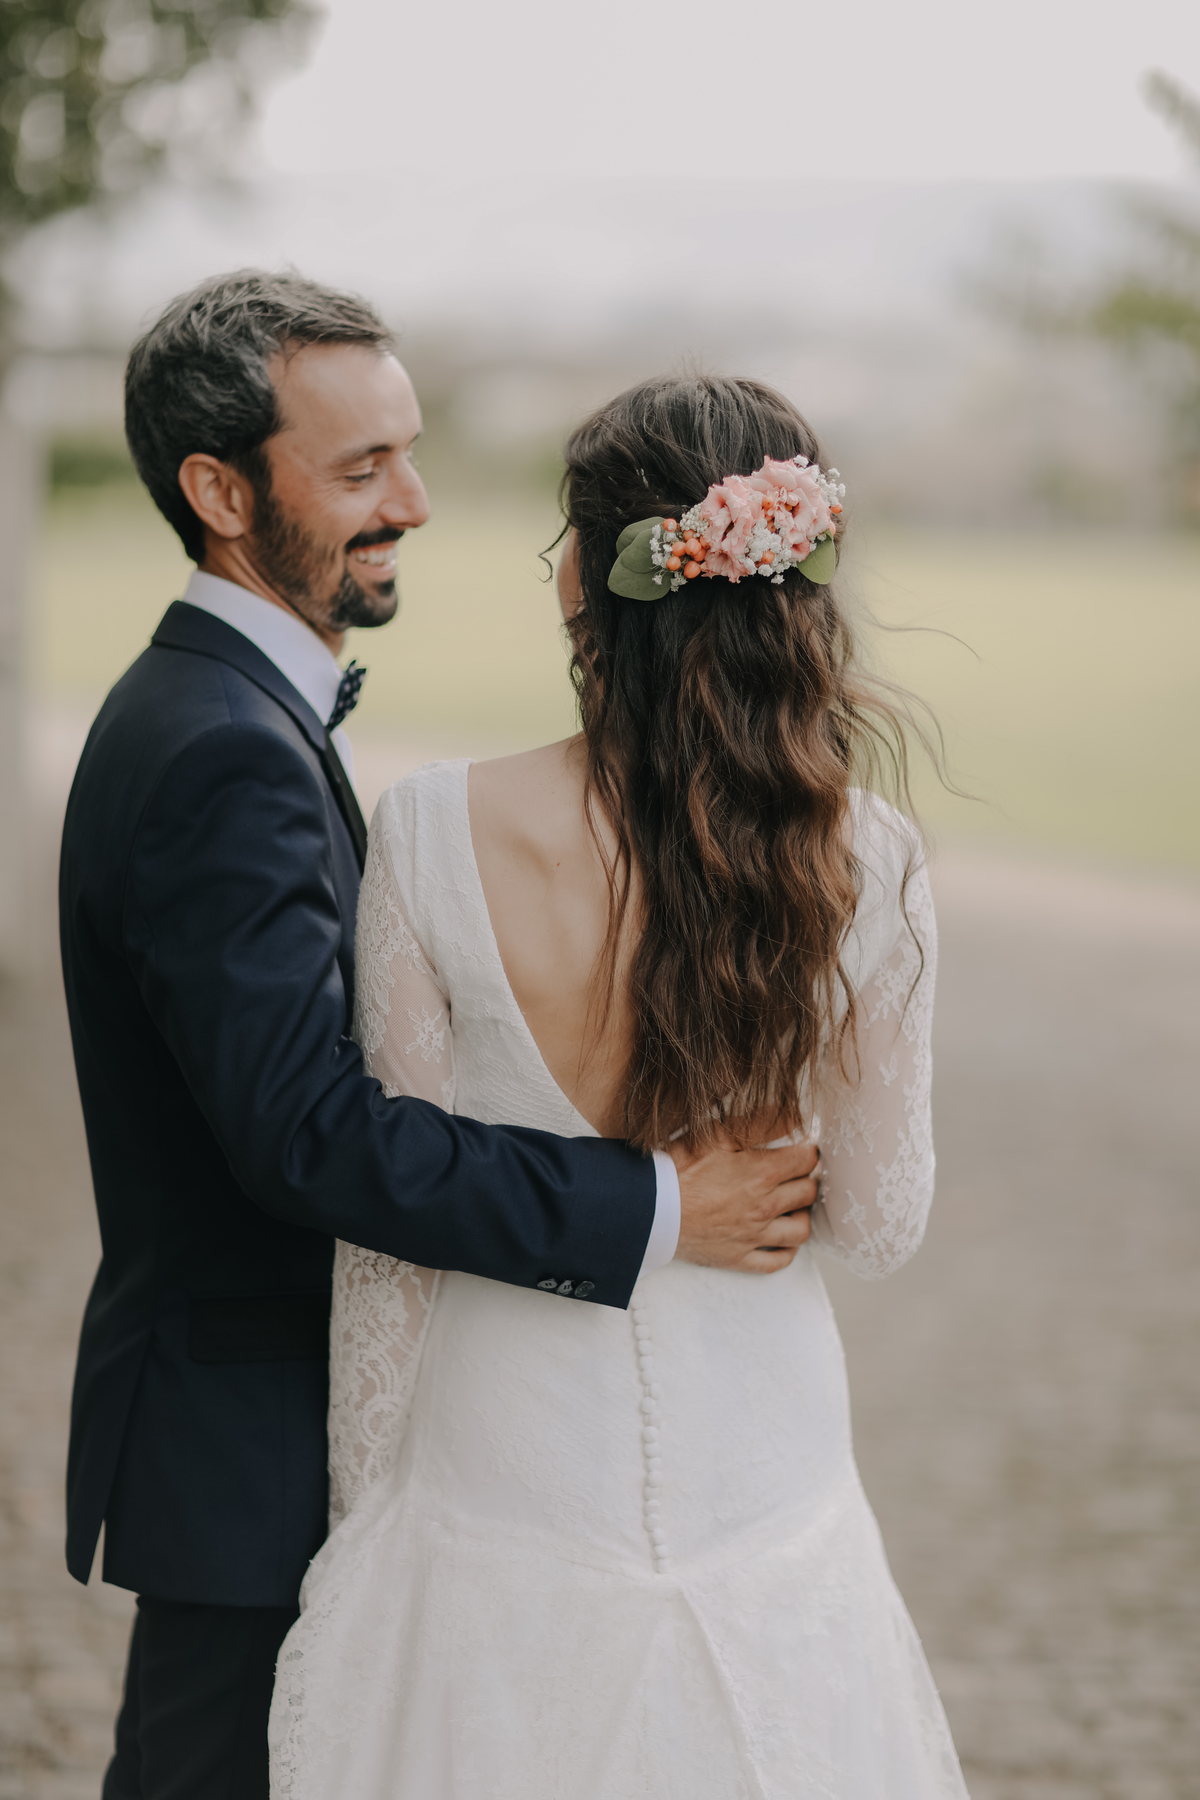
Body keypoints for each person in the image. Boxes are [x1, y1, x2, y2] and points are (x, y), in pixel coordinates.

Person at [58, 274, 819, 1800]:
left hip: (257, 1427)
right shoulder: (222, 753)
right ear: (218, 491)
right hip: (251, 1439)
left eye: (406, 453)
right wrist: (660, 1204)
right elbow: (305, 1137)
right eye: (358, 471)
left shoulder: (235, 717)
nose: (411, 500)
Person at [267, 374, 970, 1800]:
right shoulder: (871, 857)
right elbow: (885, 1220)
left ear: (585, 576)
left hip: (503, 1448)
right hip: (759, 1453)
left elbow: (389, 1226)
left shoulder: (433, 826)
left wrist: (365, 1516)